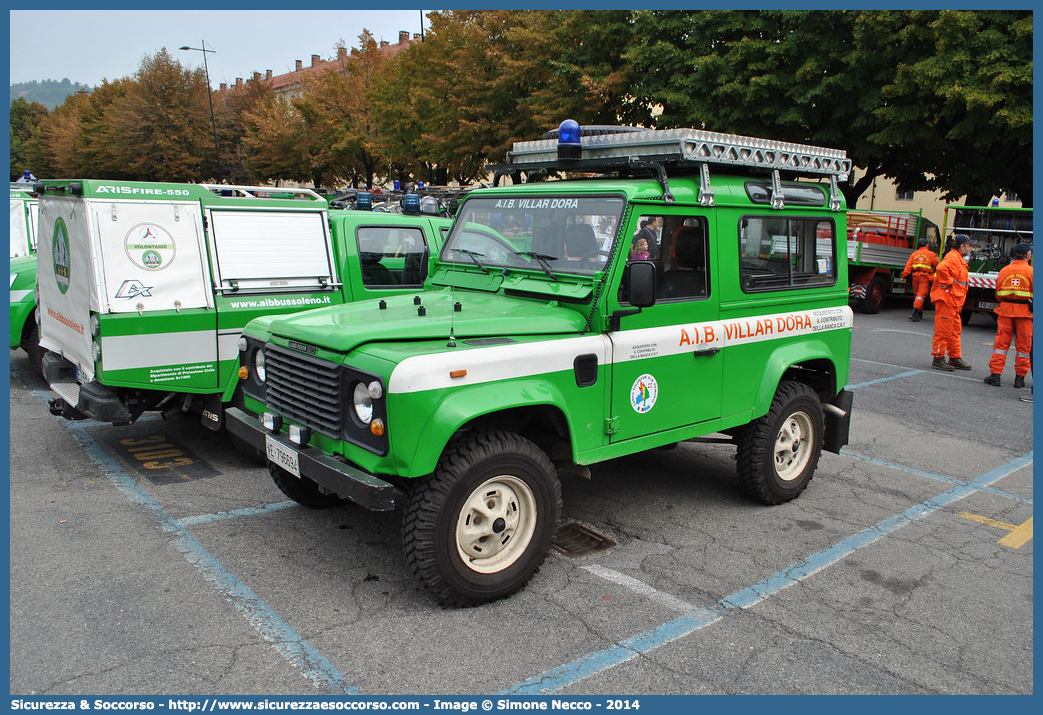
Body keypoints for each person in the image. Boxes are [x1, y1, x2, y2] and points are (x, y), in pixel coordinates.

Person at [984, 243, 1033, 388]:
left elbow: (998, 293)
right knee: (1024, 346)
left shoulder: (1004, 270)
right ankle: (1020, 378)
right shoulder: (1032, 271)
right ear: (1028, 255)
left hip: (1005, 310)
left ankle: (996, 375)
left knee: (1000, 344)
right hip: (1025, 312)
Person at [929, 234, 974, 372]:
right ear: (962, 246)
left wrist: (949, 284)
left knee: (954, 331)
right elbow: (941, 268)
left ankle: (954, 357)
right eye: (969, 245)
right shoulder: (953, 257)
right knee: (943, 332)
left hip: (953, 301)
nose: (970, 247)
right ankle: (938, 358)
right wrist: (948, 283)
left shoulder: (956, 258)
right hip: (947, 301)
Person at [901, 237, 939, 321]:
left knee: (917, 295)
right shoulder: (931, 254)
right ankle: (914, 314)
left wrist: (904, 276)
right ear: (926, 245)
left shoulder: (914, 254)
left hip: (915, 276)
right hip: (924, 277)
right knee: (921, 296)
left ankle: (919, 313)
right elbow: (937, 265)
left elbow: (908, 266)